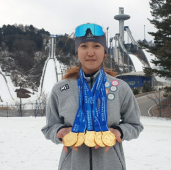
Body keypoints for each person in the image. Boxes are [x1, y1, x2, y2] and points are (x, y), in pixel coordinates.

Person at [41, 23, 143, 170]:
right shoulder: (61, 90)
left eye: (96, 46)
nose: (90, 52)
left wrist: (119, 131)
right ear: (77, 52)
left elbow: (135, 125)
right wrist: (59, 132)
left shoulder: (120, 88)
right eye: (84, 46)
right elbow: (49, 127)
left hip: (110, 165)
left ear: (105, 52)